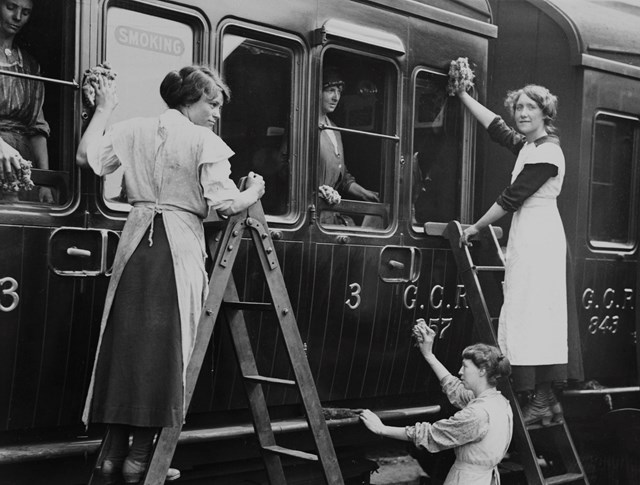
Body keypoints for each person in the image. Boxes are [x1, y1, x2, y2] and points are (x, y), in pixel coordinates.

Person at [76, 66, 265, 484]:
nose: (215, 113)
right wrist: (254, 191)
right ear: (189, 100)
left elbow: (86, 158)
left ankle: (111, 456)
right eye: (210, 104)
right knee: (167, 351)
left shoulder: (133, 129)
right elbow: (226, 203)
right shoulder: (204, 141)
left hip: (134, 246)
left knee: (124, 347)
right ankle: (140, 460)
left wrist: (104, 110)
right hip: (176, 248)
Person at [456, 84, 567, 425]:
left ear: (544, 112)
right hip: (529, 233)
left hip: (540, 237)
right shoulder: (531, 145)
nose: (522, 114)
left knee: (531, 315)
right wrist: (463, 95)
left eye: (530, 108)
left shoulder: (547, 153)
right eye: (518, 107)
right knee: (529, 314)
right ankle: (543, 401)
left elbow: (511, 197)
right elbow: (497, 129)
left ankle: (540, 397)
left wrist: (474, 227)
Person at [359, 319, 513, 484]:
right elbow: (455, 388)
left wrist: (382, 429)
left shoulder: (477, 414)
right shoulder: (498, 402)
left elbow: (432, 435)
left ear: (482, 371)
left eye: (465, 367)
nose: (460, 371)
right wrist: (429, 355)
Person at [0, 0, 53, 203]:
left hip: (21, 164)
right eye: (11, 7)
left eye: (26, 12)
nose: (17, 17)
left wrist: (45, 181)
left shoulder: (30, 65)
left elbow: (37, 129)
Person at [318, 67, 378, 225]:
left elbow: (342, 177)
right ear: (317, 91)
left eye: (339, 91)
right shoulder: (304, 125)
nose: (336, 97)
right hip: (312, 215)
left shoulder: (335, 130)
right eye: (330, 90)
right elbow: (286, 169)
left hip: (330, 215)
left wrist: (366, 194)